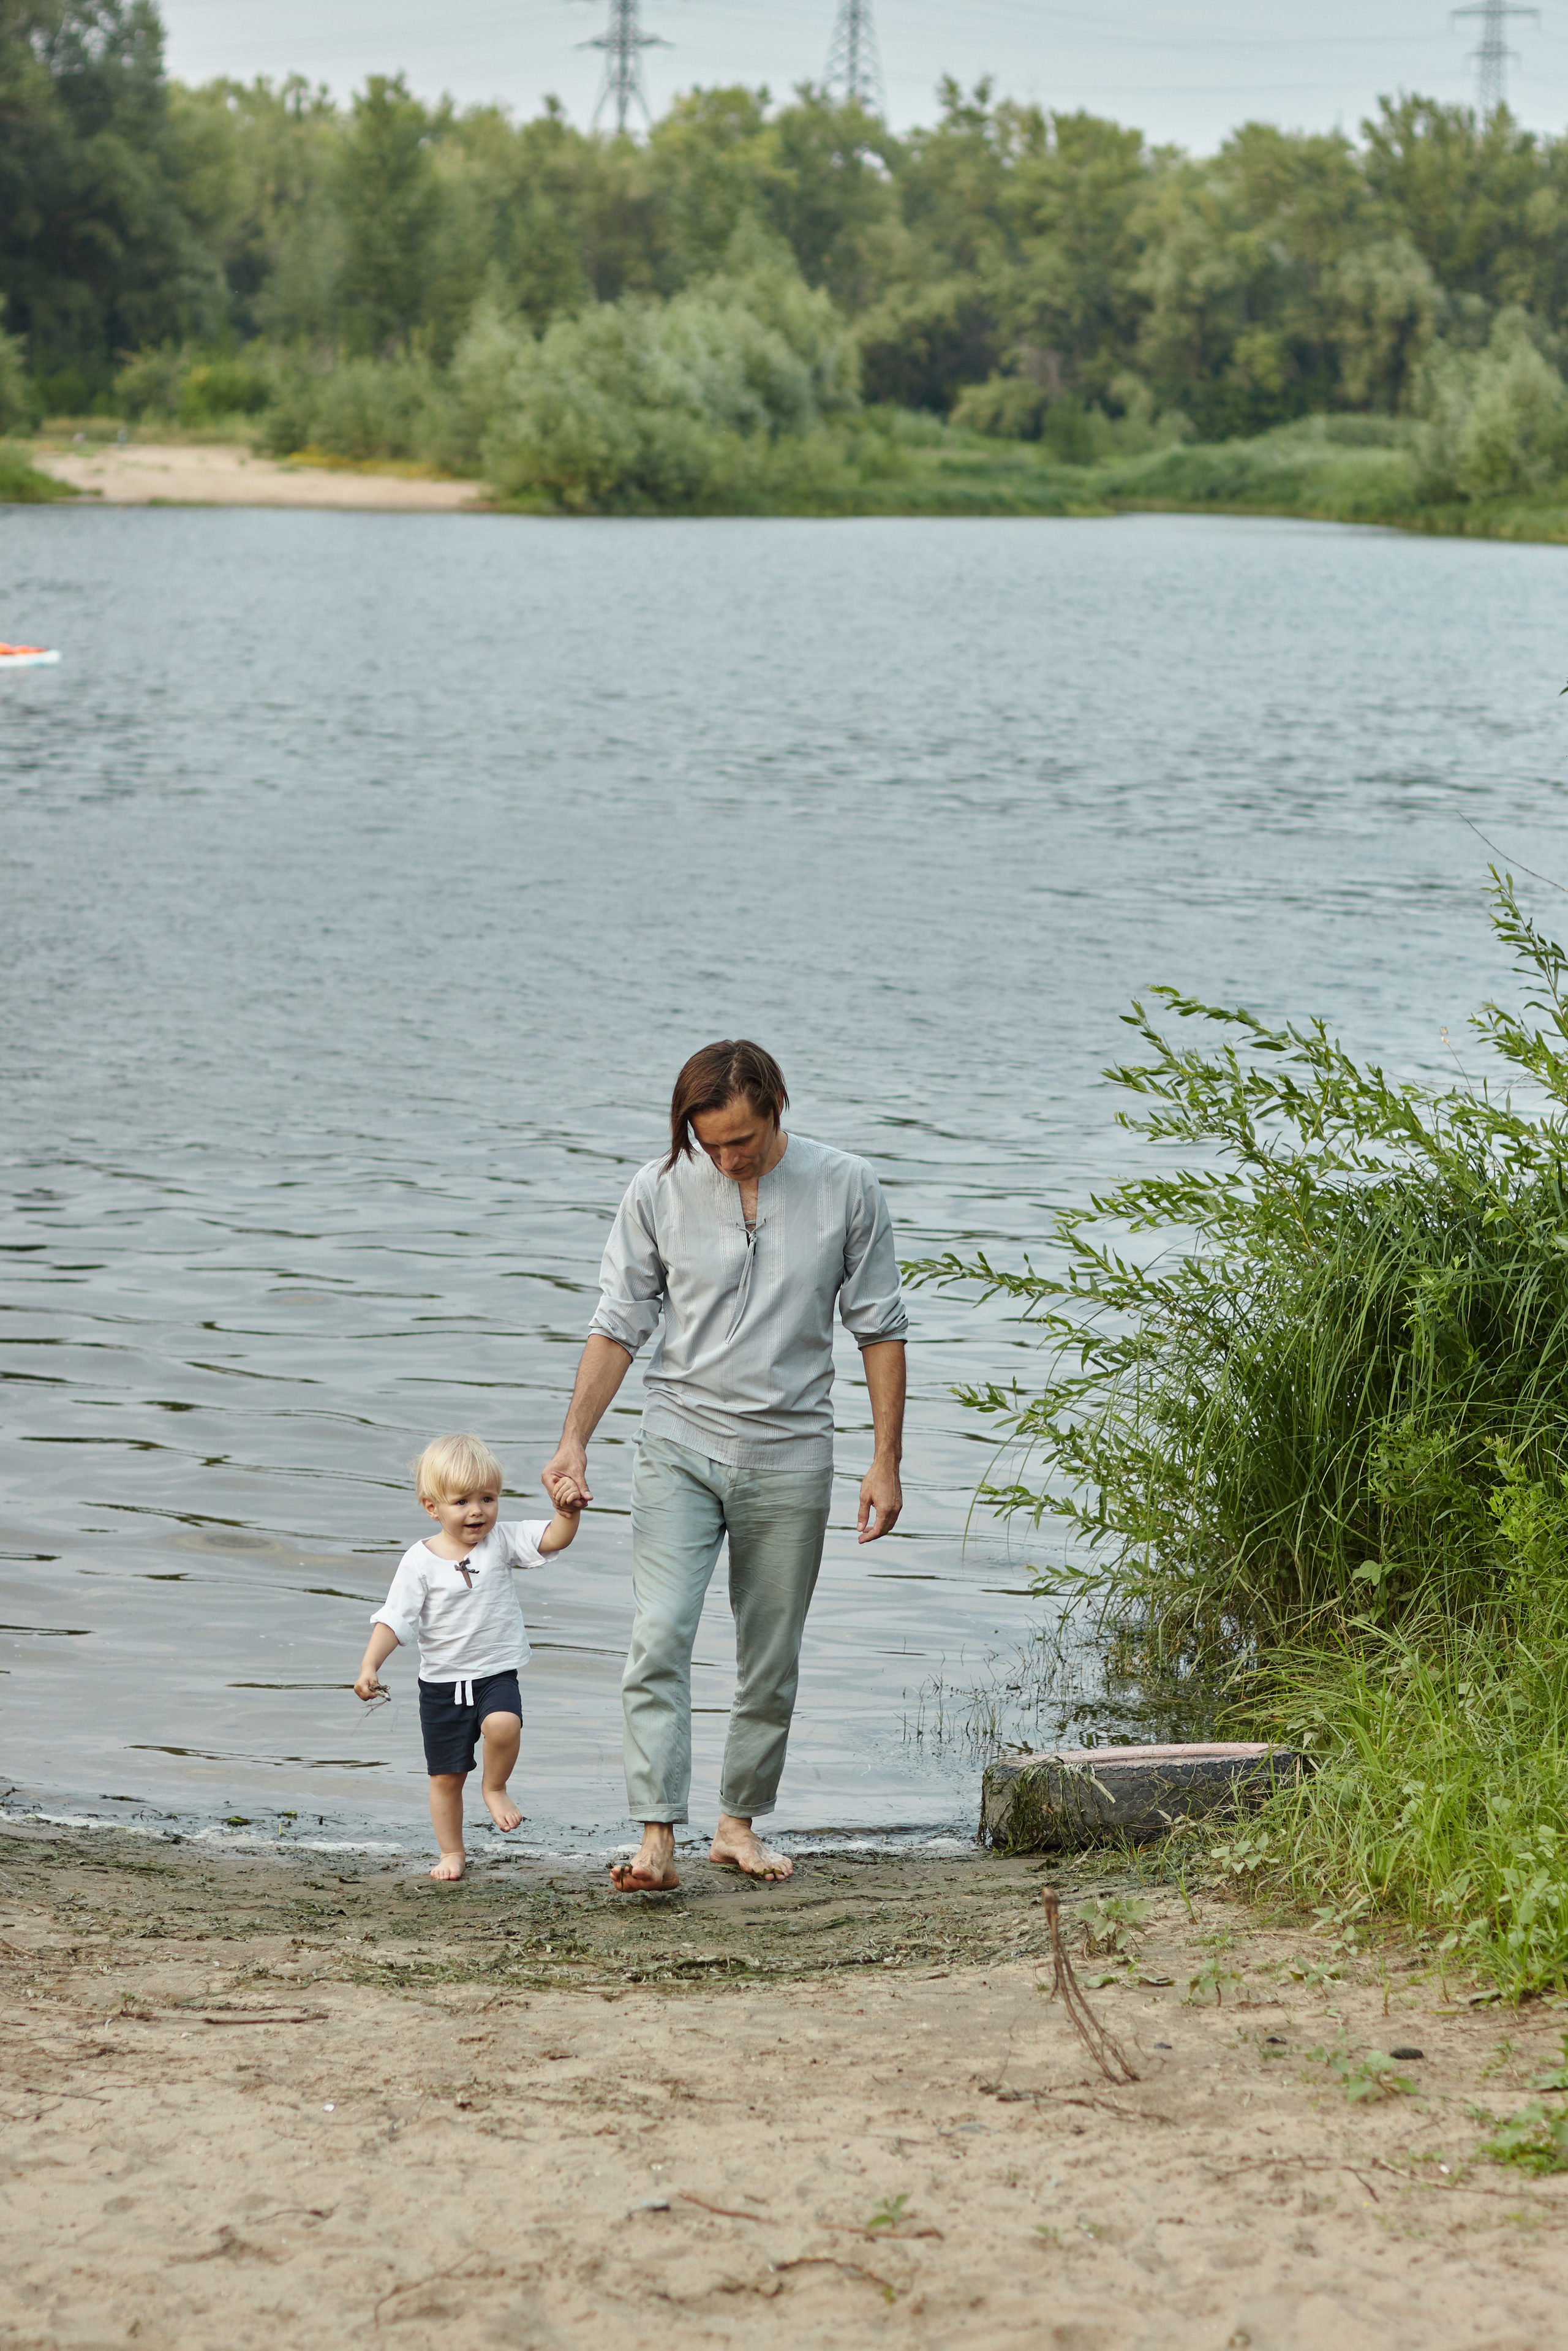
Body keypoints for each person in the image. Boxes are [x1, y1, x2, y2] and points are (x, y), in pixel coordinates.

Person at [542, 1040, 908, 1893]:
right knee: (659, 1633)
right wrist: (574, 1439)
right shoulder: (658, 1189)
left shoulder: (847, 1186)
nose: (727, 1157)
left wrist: (885, 1461)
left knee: (769, 1655)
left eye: (741, 1140)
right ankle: (654, 1837)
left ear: (778, 1104)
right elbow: (619, 1320)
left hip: (791, 1454)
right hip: (679, 1443)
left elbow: (881, 1327)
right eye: (710, 1143)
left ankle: (738, 1824)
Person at [355, 1432, 582, 1881]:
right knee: (446, 1778)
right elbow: (395, 1619)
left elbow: (553, 1539)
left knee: (504, 1724)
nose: (477, 1511)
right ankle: (452, 1851)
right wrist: (370, 1665)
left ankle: (495, 1787)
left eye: (488, 1498)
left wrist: (566, 1513)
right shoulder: (419, 1562)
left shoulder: (501, 1541)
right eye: (461, 1501)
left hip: (495, 1673)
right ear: (431, 1506)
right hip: (441, 1685)